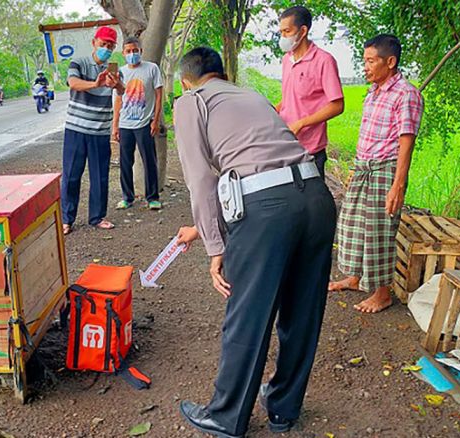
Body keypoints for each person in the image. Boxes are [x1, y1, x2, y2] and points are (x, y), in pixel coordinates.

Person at [174, 47, 336, 438]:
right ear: (224, 73)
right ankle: (283, 408)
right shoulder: (251, 96)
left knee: (248, 313)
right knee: (302, 312)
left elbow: (200, 180)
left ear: (185, 81)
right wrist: (209, 230)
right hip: (316, 195)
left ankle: (226, 416)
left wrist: (215, 247)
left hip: (268, 209)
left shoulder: (191, 102)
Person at [328, 34, 424, 313]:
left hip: (385, 170)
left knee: (379, 231)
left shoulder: (406, 94)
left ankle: (383, 293)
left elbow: (407, 140)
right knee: (353, 224)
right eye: (364, 60)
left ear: (390, 62)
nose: (365, 67)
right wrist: (355, 167)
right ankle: (357, 278)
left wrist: (398, 185)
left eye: (371, 61)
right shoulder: (374, 91)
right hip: (364, 167)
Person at [61, 26, 125, 235]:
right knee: (71, 174)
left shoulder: (115, 70)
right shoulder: (78, 62)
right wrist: (94, 83)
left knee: (100, 176)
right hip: (76, 129)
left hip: (100, 130)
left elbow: (123, 91)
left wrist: (116, 86)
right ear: (94, 42)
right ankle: (66, 218)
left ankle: (97, 216)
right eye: (103, 44)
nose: (105, 49)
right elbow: (73, 83)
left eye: (110, 46)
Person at [276, 6, 344, 179]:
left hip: (311, 147)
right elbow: (290, 98)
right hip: (286, 143)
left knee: (313, 202)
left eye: (287, 31)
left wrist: (301, 123)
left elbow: (337, 105)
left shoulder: (324, 61)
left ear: (303, 30)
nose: (283, 37)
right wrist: (273, 110)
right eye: (281, 32)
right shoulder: (286, 60)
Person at [112, 36, 164, 211]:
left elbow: (158, 95)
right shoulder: (120, 72)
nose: (132, 54)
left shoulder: (152, 69)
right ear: (123, 53)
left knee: (149, 161)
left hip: (144, 124)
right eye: (128, 51)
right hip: (125, 125)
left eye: (135, 50)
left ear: (141, 51)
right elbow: (118, 100)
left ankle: (153, 197)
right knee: (125, 162)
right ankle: (127, 197)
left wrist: (155, 120)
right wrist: (115, 125)